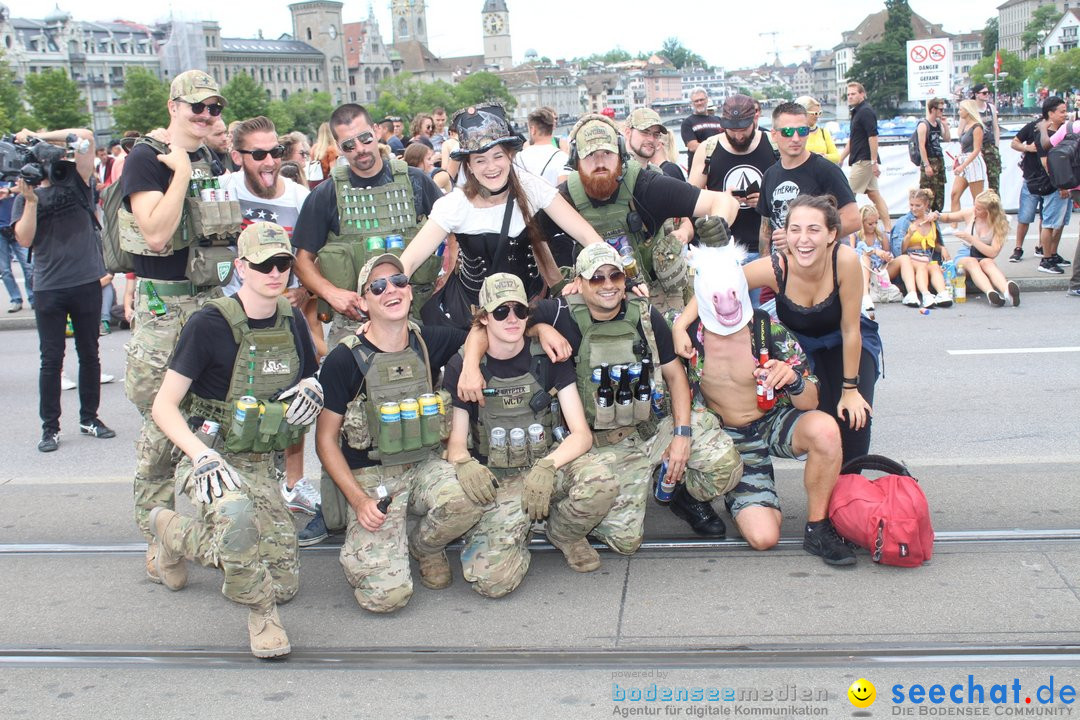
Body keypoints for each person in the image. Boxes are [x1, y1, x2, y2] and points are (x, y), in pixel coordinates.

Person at [460, 243, 744, 546]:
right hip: (597, 447)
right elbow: (489, 325)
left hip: (648, 430)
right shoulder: (557, 313)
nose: (608, 285)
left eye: (615, 276)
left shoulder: (645, 315)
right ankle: (569, 512)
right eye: (596, 278)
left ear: (625, 280)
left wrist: (682, 436)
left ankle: (680, 493)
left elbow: (676, 377)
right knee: (625, 542)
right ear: (578, 283)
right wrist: (477, 361)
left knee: (724, 465)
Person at [148, 221, 321, 658]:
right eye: (263, 264)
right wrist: (201, 455)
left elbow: (308, 378)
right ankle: (262, 616)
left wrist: (314, 388)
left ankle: (173, 533)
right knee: (239, 520)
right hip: (212, 458)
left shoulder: (292, 319)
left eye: (283, 264)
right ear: (241, 267)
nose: (275, 273)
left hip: (261, 463)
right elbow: (164, 406)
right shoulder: (209, 324)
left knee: (283, 581)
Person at [291, 102, 443, 545]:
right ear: (338, 148)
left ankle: (423, 494)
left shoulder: (415, 183)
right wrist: (332, 293)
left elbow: (446, 232)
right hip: (353, 323)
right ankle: (335, 504)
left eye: (363, 138)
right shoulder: (326, 194)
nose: (359, 150)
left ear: (376, 132)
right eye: (348, 145)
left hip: (411, 314)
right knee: (340, 417)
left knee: (421, 404)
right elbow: (302, 260)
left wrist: (444, 276)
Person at [315, 253, 478, 610]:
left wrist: (471, 368)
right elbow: (325, 441)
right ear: (364, 301)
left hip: (423, 465)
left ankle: (425, 546)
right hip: (372, 480)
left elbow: (481, 332)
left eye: (399, 281)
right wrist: (359, 502)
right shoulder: (345, 359)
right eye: (378, 286)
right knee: (387, 598)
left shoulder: (426, 341)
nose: (391, 289)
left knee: (470, 496)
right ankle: (383, 544)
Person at [121, 69, 234, 580]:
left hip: (209, 304)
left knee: (209, 419)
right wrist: (182, 173)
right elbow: (158, 233)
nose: (207, 116)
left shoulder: (211, 154)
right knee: (159, 431)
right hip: (165, 312)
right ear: (173, 106)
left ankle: (201, 525)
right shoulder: (146, 157)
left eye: (213, 108)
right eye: (197, 108)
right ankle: (158, 538)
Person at [676, 242, 855, 565]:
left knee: (826, 430)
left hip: (771, 421)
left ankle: (818, 526)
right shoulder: (688, 336)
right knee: (764, 537)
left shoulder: (766, 329)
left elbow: (810, 400)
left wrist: (793, 378)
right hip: (726, 437)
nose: (727, 306)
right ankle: (717, 487)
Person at [443, 273, 618, 591]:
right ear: (483, 318)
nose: (512, 319)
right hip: (499, 478)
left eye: (519, 310)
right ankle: (512, 530)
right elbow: (456, 444)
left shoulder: (547, 355)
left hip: (547, 468)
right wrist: (463, 464)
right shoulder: (462, 368)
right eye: (500, 312)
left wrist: (548, 465)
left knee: (601, 482)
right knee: (492, 583)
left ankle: (564, 533)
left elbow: (581, 434)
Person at [678, 195, 880, 463]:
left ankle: (849, 491)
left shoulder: (845, 260)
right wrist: (680, 325)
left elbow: (851, 329)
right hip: (803, 343)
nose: (803, 239)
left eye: (814, 230)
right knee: (823, 415)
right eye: (795, 230)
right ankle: (829, 483)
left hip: (847, 339)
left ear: (832, 234)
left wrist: (851, 390)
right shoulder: (776, 267)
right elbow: (722, 283)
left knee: (855, 418)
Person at [399, 103, 600, 329]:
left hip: (529, 310)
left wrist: (596, 272)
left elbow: (586, 234)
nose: (491, 167)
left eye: (497, 156)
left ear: (510, 156)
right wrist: (390, 299)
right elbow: (410, 259)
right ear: (469, 166)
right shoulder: (455, 205)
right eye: (480, 160)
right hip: (471, 316)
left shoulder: (531, 188)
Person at [220, 116, 319, 514]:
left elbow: (316, 257)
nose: (269, 161)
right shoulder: (224, 190)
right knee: (232, 399)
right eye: (258, 154)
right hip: (232, 316)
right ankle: (233, 480)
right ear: (237, 157)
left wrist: (304, 289)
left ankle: (294, 484)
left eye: (275, 152)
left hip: (281, 317)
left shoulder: (299, 197)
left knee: (293, 394)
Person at [545, 113, 739, 310]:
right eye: (590, 154)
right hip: (596, 306)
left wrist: (719, 222)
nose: (600, 162)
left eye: (607, 153)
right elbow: (533, 237)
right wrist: (557, 284)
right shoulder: (565, 197)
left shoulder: (646, 186)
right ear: (575, 158)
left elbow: (724, 201)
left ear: (621, 153)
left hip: (652, 300)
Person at [11, 125, 115, 453]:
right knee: (51, 359)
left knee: (90, 353)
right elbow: (24, 239)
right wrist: (29, 201)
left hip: (85, 281)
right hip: (49, 288)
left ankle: (89, 418)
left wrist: (38, 136)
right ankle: (50, 427)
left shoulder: (79, 184)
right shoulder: (26, 197)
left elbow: (86, 135)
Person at [758, 102, 859, 255]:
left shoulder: (826, 170)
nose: (796, 138)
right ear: (774, 135)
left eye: (802, 131)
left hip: (817, 269)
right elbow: (766, 230)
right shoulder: (770, 175)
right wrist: (766, 268)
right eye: (787, 132)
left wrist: (800, 237)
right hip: (781, 268)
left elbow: (853, 220)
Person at [689, 94, 777, 255]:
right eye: (732, 130)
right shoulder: (708, 148)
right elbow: (690, 199)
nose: (738, 136)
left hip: (770, 247)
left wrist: (765, 200)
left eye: (743, 130)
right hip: (725, 250)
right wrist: (721, 201)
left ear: (755, 119)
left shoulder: (774, 144)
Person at [938, 191, 1018, 307]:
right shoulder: (971, 213)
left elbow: (993, 252)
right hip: (966, 254)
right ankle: (990, 292)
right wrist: (937, 215)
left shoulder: (1000, 223)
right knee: (972, 262)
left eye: (979, 209)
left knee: (988, 263)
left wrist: (972, 239)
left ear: (989, 212)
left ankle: (1007, 292)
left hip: (985, 255)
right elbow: (949, 217)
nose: (975, 210)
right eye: (975, 205)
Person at [837, 82, 891, 233]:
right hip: (861, 159)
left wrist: (873, 162)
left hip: (864, 160)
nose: (850, 97)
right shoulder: (857, 112)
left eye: (853, 94)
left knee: (846, 195)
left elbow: (873, 137)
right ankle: (888, 228)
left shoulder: (865, 111)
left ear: (862, 94)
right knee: (874, 195)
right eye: (848, 94)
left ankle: (845, 230)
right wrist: (841, 158)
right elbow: (853, 139)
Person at [901, 188, 952, 309]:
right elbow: (900, 250)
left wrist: (942, 248)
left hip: (927, 256)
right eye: (911, 205)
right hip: (911, 257)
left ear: (926, 205)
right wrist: (909, 235)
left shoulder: (932, 221)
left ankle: (942, 294)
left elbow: (934, 244)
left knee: (934, 266)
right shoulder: (905, 221)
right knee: (922, 266)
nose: (913, 208)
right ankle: (926, 294)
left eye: (918, 205)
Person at [851, 205, 894, 316]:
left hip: (880, 269)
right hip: (863, 269)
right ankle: (865, 295)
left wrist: (887, 256)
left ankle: (913, 292)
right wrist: (874, 251)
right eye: (870, 224)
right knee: (865, 258)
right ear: (862, 222)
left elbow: (887, 251)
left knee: (904, 260)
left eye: (876, 222)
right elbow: (853, 253)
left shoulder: (880, 234)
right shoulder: (855, 234)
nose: (874, 226)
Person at [0, 182, 33, 312]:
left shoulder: (12, 175)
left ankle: (33, 298)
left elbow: (27, 187)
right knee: (5, 270)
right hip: (1, 231)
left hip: (17, 227)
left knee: (29, 266)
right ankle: (15, 299)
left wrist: (8, 190)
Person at [516, 106, 569, 187]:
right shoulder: (563, 157)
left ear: (533, 130)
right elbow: (564, 188)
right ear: (552, 127)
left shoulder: (519, 158)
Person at [623, 108, 681, 180]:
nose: (651, 139)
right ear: (628, 133)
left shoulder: (661, 176)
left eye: (656, 134)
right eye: (644, 132)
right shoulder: (615, 173)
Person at [950, 100, 986, 216]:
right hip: (964, 160)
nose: (959, 111)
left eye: (961, 109)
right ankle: (954, 224)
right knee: (954, 194)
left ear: (968, 111)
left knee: (978, 199)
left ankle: (985, 223)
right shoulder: (966, 126)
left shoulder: (977, 127)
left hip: (973, 162)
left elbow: (977, 149)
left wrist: (963, 165)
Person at [915, 98, 951, 212]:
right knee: (927, 191)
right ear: (933, 109)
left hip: (939, 159)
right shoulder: (923, 125)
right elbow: (921, 146)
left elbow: (947, 138)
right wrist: (926, 164)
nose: (942, 112)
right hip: (930, 159)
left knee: (939, 191)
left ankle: (937, 213)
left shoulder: (938, 123)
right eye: (940, 109)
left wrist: (945, 125)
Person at [680, 87, 722, 172]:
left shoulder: (718, 120)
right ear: (692, 103)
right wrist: (719, 149)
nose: (699, 103)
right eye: (696, 101)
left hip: (718, 166)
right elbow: (693, 146)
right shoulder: (687, 123)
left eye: (701, 100)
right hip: (699, 169)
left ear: (707, 100)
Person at [972, 83, 1001, 195]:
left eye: (987, 93)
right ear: (976, 94)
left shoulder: (991, 108)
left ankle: (995, 206)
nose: (986, 95)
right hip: (976, 147)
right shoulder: (972, 109)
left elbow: (995, 127)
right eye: (984, 93)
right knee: (977, 181)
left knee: (994, 180)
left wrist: (996, 145)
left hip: (990, 146)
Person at [795, 95, 840, 164]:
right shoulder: (794, 133)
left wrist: (823, 157)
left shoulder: (824, 132)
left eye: (819, 113)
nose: (817, 116)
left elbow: (836, 157)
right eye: (814, 113)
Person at [307, 122, 339, 188]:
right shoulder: (331, 150)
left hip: (315, 183)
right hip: (328, 185)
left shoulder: (314, 148)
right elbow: (333, 171)